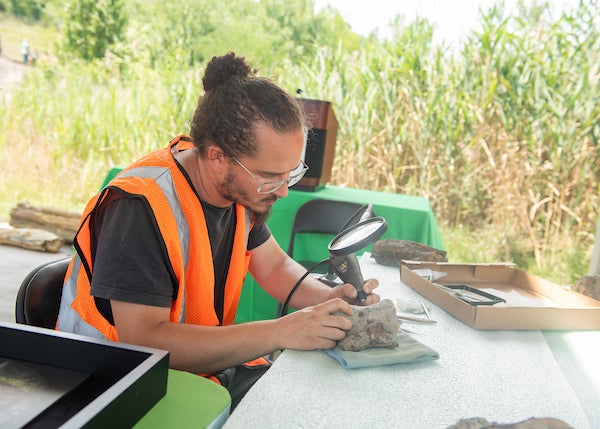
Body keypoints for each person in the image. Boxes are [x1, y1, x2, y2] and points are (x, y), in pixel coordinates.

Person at [56, 52, 379, 408]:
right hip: (114, 386)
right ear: (217, 156)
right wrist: (280, 331)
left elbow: (273, 266)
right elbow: (145, 341)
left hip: (194, 371)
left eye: (291, 175)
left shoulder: (239, 190)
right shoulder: (139, 206)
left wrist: (331, 298)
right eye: (270, 177)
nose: (283, 191)